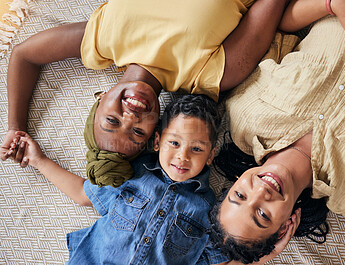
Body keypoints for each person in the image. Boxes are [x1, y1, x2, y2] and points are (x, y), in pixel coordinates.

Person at [2, 0, 345, 188]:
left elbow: (23, 55)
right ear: (157, 130)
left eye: (112, 119)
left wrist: (16, 127)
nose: (131, 114)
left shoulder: (100, 42)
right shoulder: (212, 75)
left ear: (98, 98)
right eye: (137, 132)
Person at [208, 0, 345, 263]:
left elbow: (280, 27)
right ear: (286, 226)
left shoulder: (246, 115)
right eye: (263, 215)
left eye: (239, 195)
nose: (259, 193)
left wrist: (333, 5)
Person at [8, 95, 226, 264]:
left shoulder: (209, 209)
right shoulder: (133, 174)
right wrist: (39, 160)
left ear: (210, 156)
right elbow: (83, 193)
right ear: (157, 141)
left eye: (196, 148)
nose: (183, 156)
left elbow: (215, 259)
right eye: (175, 143)